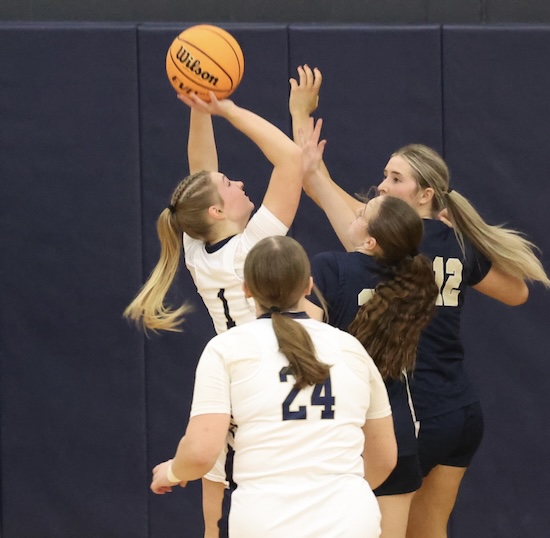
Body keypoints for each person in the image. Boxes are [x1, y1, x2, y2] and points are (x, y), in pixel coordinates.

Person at [289, 65, 550, 538]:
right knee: (430, 530)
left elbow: (313, 179)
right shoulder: (455, 242)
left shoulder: (387, 239)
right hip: (460, 411)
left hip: (414, 413)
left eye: (395, 179)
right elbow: (518, 293)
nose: (382, 187)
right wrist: (465, 253)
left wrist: (300, 115)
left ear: (425, 194)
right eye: (384, 176)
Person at [125, 90, 322, 537]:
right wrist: (228, 110)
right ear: (216, 211)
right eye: (230, 184)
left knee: (217, 513)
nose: (240, 183)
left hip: (234, 382)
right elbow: (290, 160)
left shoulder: (198, 250)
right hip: (274, 379)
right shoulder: (250, 250)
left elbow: (201, 173)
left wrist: (200, 109)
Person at [150, 235, 398, 538]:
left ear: (246, 289)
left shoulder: (227, 349)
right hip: (350, 521)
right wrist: (334, 495)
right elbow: (385, 457)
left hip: (265, 521)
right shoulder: (350, 348)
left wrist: (172, 472)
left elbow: (201, 451)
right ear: (308, 286)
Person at [298, 115, 439, 538]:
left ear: (370, 240)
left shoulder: (330, 267)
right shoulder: (417, 280)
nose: (357, 210)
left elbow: (302, 336)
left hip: (341, 431)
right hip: (397, 432)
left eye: (363, 212)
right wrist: (316, 173)